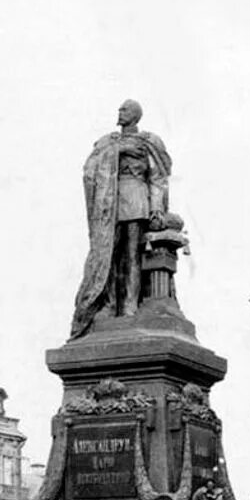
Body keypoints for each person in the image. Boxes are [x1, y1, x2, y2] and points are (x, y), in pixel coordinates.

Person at [70, 99, 173, 338]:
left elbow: (158, 178)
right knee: (110, 255)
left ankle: (129, 306)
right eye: (120, 109)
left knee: (131, 255)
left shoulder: (149, 142)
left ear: (135, 115)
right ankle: (109, 305)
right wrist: (119, 151)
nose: (119, 112)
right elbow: (90, 169)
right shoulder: (109, 143)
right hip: (110, 203)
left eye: (124, 110)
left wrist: (156, 208)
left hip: (136, 198)